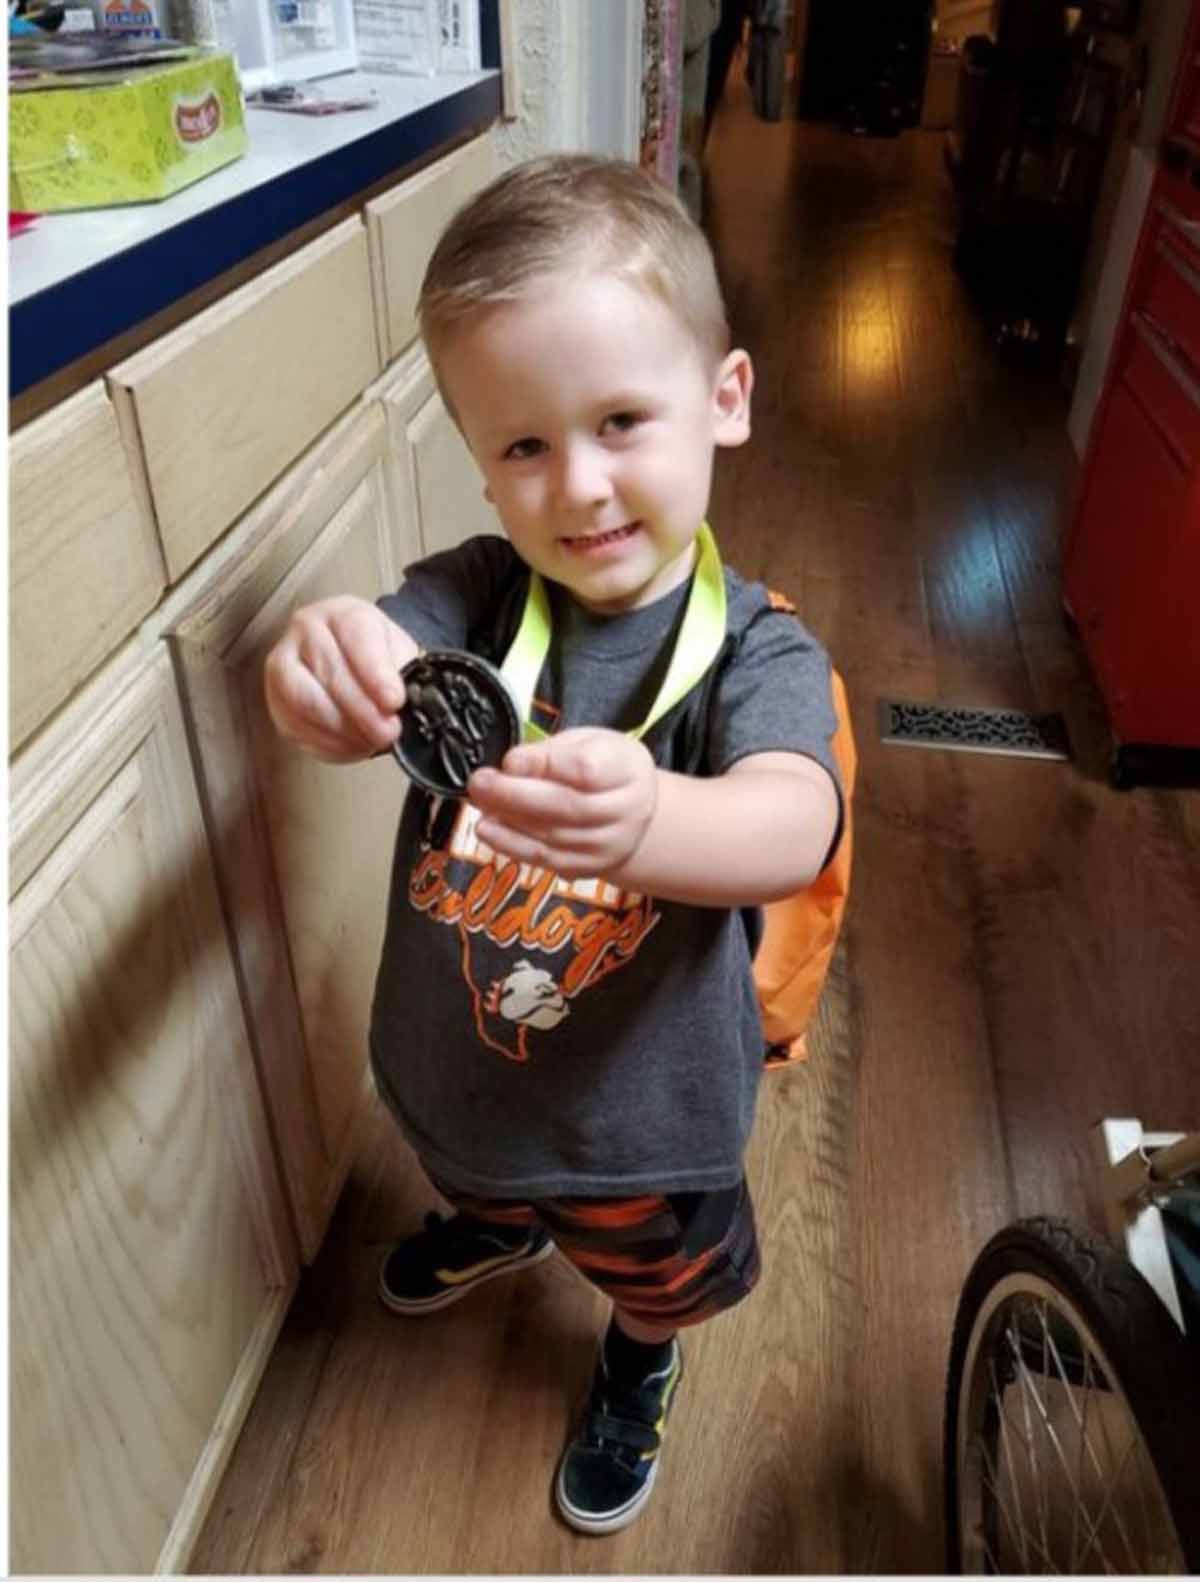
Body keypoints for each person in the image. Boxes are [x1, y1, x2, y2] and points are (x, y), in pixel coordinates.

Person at [263, 153, 844, 1536]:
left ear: (726, 399)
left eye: (623, 420)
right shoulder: (476, 591)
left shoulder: (757, 647)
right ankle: (499, 1220)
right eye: (523, 444)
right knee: (463, 1157)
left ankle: (641, 1354)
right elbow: (378, 663)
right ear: (478, 456)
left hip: (641, 1106)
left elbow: (793, 816)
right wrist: (320, 666)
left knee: (652, 1266)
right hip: (463, 1055)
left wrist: (657, 819)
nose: (578, 485)